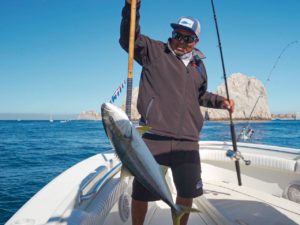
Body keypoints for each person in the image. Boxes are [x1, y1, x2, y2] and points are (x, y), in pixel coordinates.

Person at [119, 1, 235, 225]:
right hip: (154, 138)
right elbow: (128, 39)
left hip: (187, 141)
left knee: (187, 193)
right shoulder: (153, 51)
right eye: (177, 35)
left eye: (188, 38)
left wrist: (222, 102)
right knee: (141, 193)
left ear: (196, 41)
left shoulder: (199, 66)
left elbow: (200, 95)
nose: (181, 41)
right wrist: (131, 7)